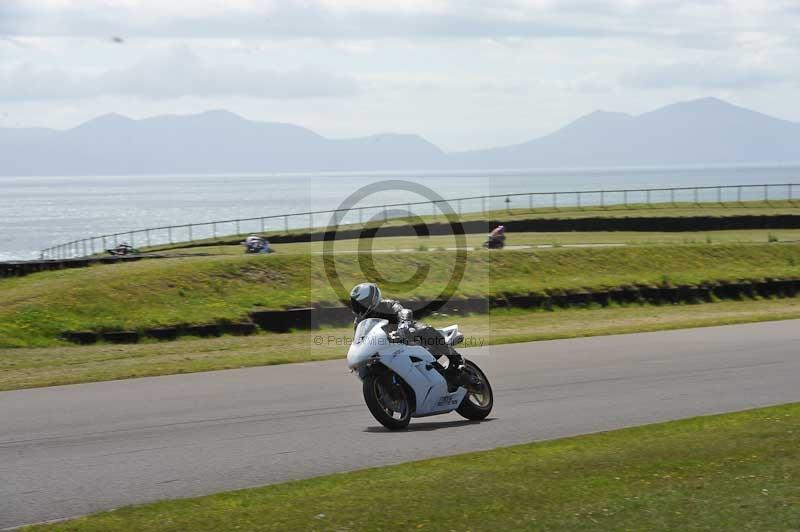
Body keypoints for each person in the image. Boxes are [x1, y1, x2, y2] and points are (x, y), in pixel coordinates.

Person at [350, 283, 467, 383]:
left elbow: (401, 310)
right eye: (356, 304)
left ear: (372, 299)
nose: (358, 308)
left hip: (405, 337)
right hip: (386, 347)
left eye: (361, 304)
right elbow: (360, 339)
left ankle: (456, 360)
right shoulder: (359, 321)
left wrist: (404, 322)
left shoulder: (387, 305)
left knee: (422, 329)